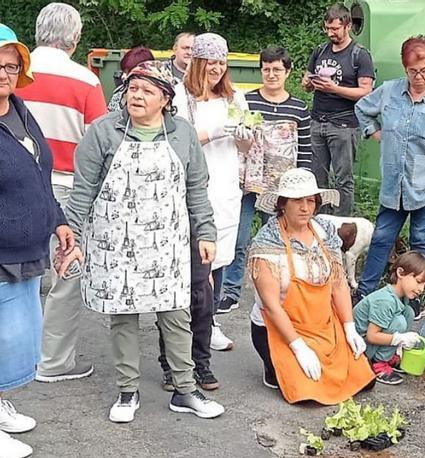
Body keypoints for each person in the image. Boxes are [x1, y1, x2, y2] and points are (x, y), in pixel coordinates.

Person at [60, 61, 225, 423]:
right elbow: (83, 189)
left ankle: (185, 389)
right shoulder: (104, 132)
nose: (136, 95)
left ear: (165, 99)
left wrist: (207, 233)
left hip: (168, 242)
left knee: (176, 313)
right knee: (123, 315)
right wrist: (71, 234)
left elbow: (196, 189)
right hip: (115, 242)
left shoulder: (182, 135)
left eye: (147, 91)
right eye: (133, 88)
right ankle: (127, 391)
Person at [16, 1, 107, 384]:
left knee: (15, 273)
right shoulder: (86, 81)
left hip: (15, 184)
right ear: (75, 38)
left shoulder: (16, 72)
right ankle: (52, 361)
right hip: (68, 188)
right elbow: (100, 141)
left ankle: (14, 355)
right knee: (66, 273)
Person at [0, 24, 75, 458]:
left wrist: (58, 221)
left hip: (27, 252)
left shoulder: (20, 111)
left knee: (15, 339)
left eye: (12, 66)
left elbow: (38, 175)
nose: (5, 74)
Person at [354, 35, 425, 303]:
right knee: (381, 239)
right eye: (413, 71)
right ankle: (365, 293)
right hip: (394, 185)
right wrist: (375, 132)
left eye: (424, 70)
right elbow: (362, 108)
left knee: (420, 243)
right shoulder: (389, 91)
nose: (419, 76)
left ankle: (414, 300)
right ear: (405, 68)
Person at [247, 168, 374, 401]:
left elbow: (338, 284)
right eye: (297, 201)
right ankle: (271, 364)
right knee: (307, 393)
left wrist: (349, 327)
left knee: (363, 381)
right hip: (279, 329)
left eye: (310, 200)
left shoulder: (324, 233)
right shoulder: (266, 244)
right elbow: (272, 306)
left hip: (322, 324)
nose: (306, 208)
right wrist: (299, 348)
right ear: (282, 204)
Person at [172, 32, 253, 357]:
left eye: (222, 62)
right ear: (198, 62)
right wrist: (212, 133)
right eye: (211, 62)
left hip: (225, 186)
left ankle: (211, 321)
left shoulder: (236, 99)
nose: (217, 69)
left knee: (220, 256)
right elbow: (178, 142)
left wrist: (245, 136)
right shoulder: (180, 97)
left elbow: (245, 148)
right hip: (194, 188)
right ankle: (185, 322)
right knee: (194, 256)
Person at [217, 46, 313, 314]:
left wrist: (303, 188)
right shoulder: (246, 101)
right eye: (267, 69)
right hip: (249, 184)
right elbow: (235, 143)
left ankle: (281, 289)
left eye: (277, 70)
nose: (271, 75)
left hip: (284, 188)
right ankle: (230, 291)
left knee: (279, 239)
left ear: (288, 72)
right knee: (239, 237)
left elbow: (304, 150)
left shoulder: (299, 108)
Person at [302, 3, 374, 216]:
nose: (330, 33)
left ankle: (342, 223)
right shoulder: (320, 51)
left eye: (335, 29)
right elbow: (305, 79)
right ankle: (319, 221)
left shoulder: (359, 55)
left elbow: (366, 91)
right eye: (327, 28)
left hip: (344, 124)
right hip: (317, 121)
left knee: (343, 179)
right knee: (317, 177)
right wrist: (308, 83)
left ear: (348, 26)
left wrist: (335, 88)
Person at [354, 251, 425, 385]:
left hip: (370, 344)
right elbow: (371, 336)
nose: (421, 289)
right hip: (360, 347)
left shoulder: (402, 298)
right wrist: (399, 338)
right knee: (399, 322)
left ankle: (389, 355)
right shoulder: (385, 300)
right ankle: (378, 363)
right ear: (400, 273)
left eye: (424, 286)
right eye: (418, 282)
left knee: (408, 313)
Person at [107, 46, 154, 112]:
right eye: (124, 71)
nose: (123, 76)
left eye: (128, 72)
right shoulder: (119, 93)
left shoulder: (157, 96)